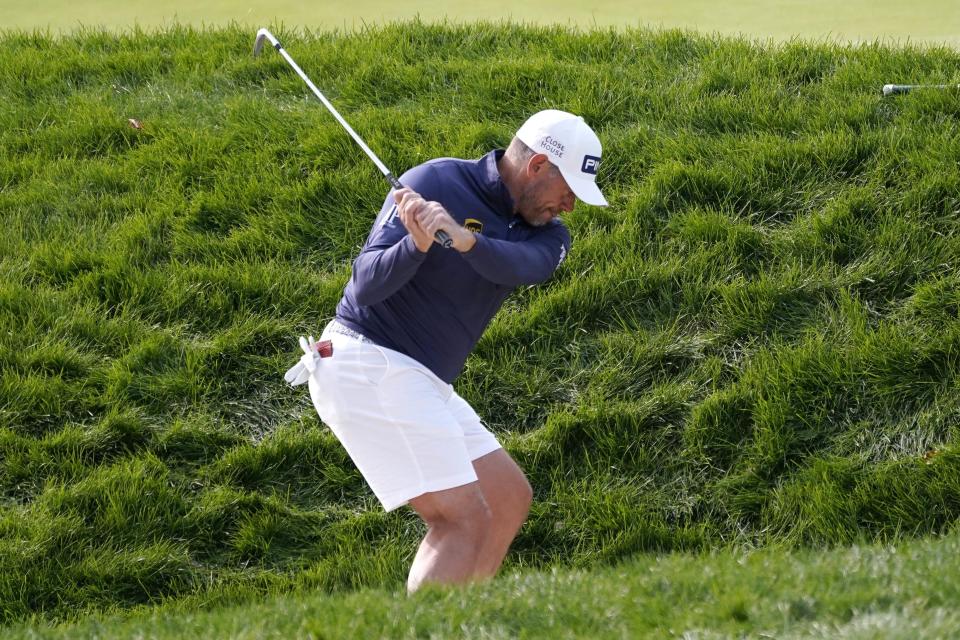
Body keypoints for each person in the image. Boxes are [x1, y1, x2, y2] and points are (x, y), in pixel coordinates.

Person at [284, 109, 608, 592]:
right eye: (568, 193)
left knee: (507, 498)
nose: (570, 207)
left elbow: (524, 266)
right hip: (367, 360)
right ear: (538, 165)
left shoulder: (548, 234)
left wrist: (464, 240)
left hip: (417, 378)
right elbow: (364, 287)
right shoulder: (435, 180)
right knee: (463, 520)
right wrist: (413, 247)